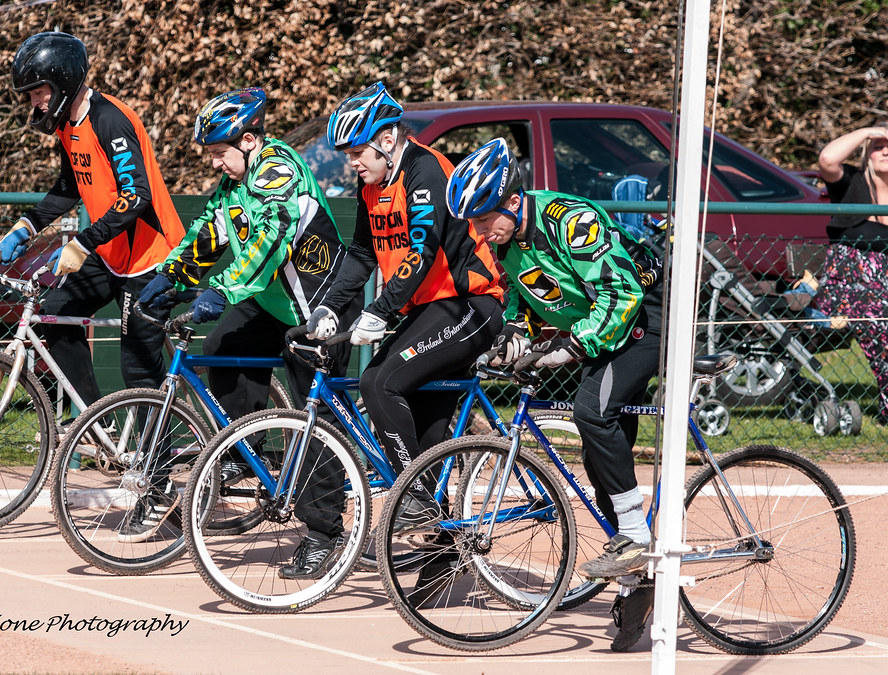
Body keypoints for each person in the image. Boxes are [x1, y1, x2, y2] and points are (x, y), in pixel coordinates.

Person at [446, 137, 664, 652]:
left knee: (591, 410)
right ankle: (638, 580)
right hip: (606, 331)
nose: (480, 231)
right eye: (474, 223)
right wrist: (515, 334)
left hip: (646, 319)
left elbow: (623, 292)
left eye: (484, 219)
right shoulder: (509, 242)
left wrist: (571, 346)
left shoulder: (570, 221)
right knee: (600, 461)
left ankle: (638, 539)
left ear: (513, 201)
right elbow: (527, 298)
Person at [139, 87, 359, 577]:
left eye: (220, 152)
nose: (215, 163)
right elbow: (209, 232)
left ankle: (324, 534)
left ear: (250, 140)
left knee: (316, 419)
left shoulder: (279, 169)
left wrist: (223, 289)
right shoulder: (234, 184)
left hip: (320, 306)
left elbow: (271, 237)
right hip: (272, 301)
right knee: (223, 346)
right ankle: (245, 449)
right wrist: (171, 277)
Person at [306, 82, 506, 604]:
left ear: (389, 139)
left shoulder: (426, 171)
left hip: (469, 305)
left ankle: (412, 497)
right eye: (348, 155)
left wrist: (380, 309)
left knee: (380, 381)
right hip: (426, 309)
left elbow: (421, 250)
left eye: (358, 152)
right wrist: (329, 307)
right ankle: (445, 554)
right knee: (429, 434)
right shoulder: (372, 186)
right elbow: (360, 252)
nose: (352, 163)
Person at [0, 32, 186, 542]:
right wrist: (26, 225)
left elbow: (136, 196)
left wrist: (82, 241)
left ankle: (160, 489)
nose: (35, 102)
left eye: (39, 91)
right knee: (55, 317)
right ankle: (100, 429)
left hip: (150, 257)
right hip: (110, 252)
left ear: (62, 81)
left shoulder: (110, 121)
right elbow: (70, 186)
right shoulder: (67, 125)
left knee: (139, 368)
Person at [813, 123, 888, 423]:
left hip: (883, 287)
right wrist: (869, 131)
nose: (885, 152)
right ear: (867, 154)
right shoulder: (852, 184)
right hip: (849, 285)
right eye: (878, 147)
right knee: (882, 314)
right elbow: (827, 160)